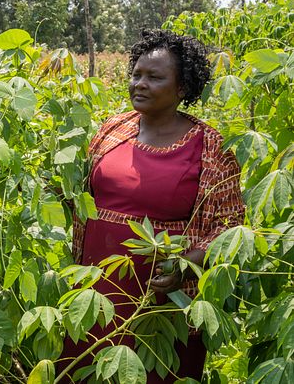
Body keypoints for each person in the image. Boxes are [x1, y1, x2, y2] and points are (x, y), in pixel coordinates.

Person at [59, 29, 245, 383]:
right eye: (136, 74)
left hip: (160, 296)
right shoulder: (113, 129)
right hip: (94, 287)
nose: (139, 84)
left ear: (181, 89)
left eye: (154, 77)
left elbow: (230, 226)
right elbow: (83, 197)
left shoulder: (209, 146)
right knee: (84, 370)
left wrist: (187, 265)